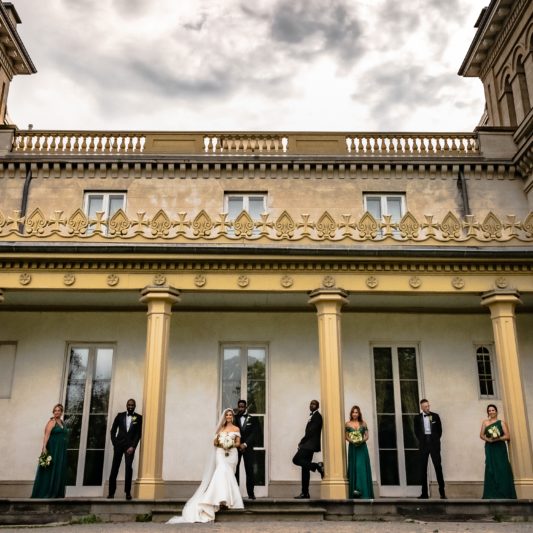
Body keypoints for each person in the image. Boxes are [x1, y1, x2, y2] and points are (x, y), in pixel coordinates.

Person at [167, 408, 244, 523]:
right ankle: (220, 500)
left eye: (230, 415)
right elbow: (214, 442)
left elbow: (238, 442)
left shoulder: (236, 428)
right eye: (227, 415)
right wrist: (222, 443)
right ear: (224, 417)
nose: (228, 416)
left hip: (232, 454)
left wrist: (230, 443)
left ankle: (227, 501)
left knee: (229, 475)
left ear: (232, 417)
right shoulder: (221, 428)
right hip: (221, 453)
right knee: (221, 472)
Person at [31, 403, 69, 498]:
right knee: (50, 469)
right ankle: (45, 492)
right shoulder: (51, 422)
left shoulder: (62, 422)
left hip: (61, 450)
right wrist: (44, 448)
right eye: (55, 410)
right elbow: (46, 435)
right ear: (53, 412)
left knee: (59, 468)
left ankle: (56, 492)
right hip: (53, 448)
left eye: (58, 410)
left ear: (61, 412)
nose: (57, 412)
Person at [108, 399, 143, 500]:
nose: (131, 406)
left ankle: (128, 492)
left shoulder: (139, 418)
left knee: (128, 468)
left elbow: (138, 434)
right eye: (129, 405)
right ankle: (111, 493)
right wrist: (115, 443)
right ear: (126, 405)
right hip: (119, 445)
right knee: (115, 467)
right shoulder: (120, 416)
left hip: (130, 447)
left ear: (135, 406)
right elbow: (113, 431)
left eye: (132, 405)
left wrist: (133, 446)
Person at [480, 404, 516, 499]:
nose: (491, 412)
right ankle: (491, 494)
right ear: (488, 412)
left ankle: (505, 493)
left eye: (493, 410)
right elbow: (481, 435)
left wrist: (497, 438)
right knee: (490, 468)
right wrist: (489, 440)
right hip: (490, 448)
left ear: (496, 411)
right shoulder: (485, 422)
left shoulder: (501, 423)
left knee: (502, 468)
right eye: (489, 410)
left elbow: (507, 436)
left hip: (499, 448)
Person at [414, 398, 446, 499]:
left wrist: (435, 440)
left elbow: (440, 431)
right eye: (425, 406)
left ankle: (442, 493)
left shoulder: (435, 416)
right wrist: (422, 440)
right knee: (423, 469)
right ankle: (424, 493)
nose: (428, 408)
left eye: (428, 406)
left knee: (438, 467)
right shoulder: (417, 418)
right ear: (422, 407)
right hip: (423, 444)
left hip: (434, 444)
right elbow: (416, 431)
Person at [292, 399, 324, 499]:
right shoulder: (313, 416)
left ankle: (317, 466)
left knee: (296, 459)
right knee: (305, 468)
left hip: (309, 445)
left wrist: (301, 442)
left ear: (317, 406)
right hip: (309, 444)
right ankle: (305, 493)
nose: (312, 405)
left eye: (314, 404)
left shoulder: (317, 416)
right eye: (311, 403)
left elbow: (310, 432)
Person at [345, 405, 374, 499]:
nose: (355, 414)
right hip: (353, 448)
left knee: (361, 467)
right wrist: (352, 441)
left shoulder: (363, 423)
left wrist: (361, 440)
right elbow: (346, 437)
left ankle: (363, 492)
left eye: (356, 412)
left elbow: (367, 436)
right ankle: (355, 492)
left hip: (362, 448)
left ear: (359, 413)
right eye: (353, 412)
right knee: (355, 467)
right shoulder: (347, 424)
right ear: (351, 413)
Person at [235, 399, 260, 500]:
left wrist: (245, 444)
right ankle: (235, 494)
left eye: (242, 406)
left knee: (249, 470)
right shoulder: (234, 418)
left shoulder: (253, 419)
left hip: (248, 448)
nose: (240, 408)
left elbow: (255, 433)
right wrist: (238, 444)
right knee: (235, 471)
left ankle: (251, 493)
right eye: (239, 406)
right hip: (236, 448)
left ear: (245, 407)